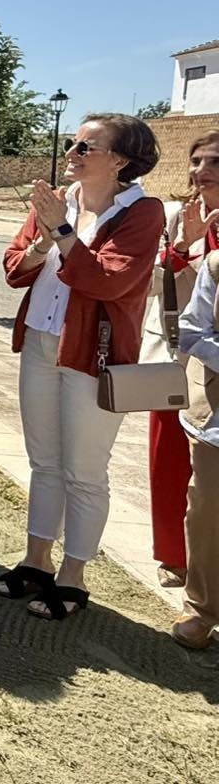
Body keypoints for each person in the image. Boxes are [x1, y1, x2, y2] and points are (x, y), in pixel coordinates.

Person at [0, 114, 162, 619]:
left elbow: (109, 281)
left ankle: (73, 576)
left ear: (120, 160)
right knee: (44, 461)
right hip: (41, 343)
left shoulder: (142, 211)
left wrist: (63, 232)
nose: (71, 153)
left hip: (94, 354)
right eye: (73, 143)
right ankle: (36, 560)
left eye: (85, 147)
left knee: (84, 471)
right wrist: (45, 238)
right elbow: (14, 268)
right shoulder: (58, 201)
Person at [143, 132, 219, 588]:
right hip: (175, 357)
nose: (201, 170)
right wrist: (183, 249)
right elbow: (147, 285)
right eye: (196, 161)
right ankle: (175, 555)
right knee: (168, 459)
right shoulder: (174, 217)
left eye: (214, 162)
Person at [173, 238, 219, 649]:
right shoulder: (217, 266)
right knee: (208, 514)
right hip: (216, 420)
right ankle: (201, 609)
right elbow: (191, 330)